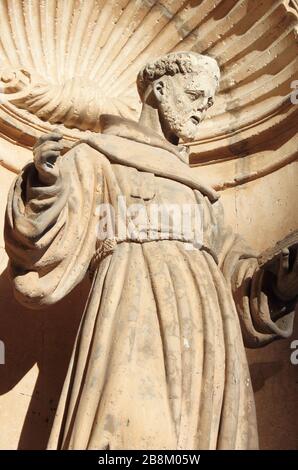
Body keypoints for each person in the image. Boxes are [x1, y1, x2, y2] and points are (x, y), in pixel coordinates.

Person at [4, 52, 297, 449]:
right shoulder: (100, 156)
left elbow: (236, 276)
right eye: (195, 96)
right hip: (132, 311)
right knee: (128, 430)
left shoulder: (203, 195)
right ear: (160, 90)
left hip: (208, 332)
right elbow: (41, 239)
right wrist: (45, 182)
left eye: (208, 103)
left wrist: (277, 279)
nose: (201, 110)